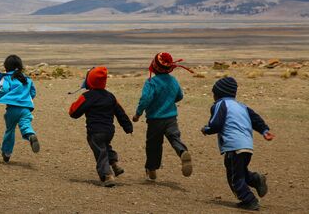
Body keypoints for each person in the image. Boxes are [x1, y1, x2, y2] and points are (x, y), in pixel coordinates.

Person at [201, 77, 274, 211]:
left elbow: (216, 124)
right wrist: (264, 130)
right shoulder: (242, 106)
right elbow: (255, 119)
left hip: (234, 146)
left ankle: (249, 200)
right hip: (247, 145)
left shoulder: (220, 104)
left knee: (235, 177)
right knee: (239, 170)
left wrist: (206, 129)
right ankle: (255, 179)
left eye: (214, 93)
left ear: (218, 93)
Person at [132, 52, 194, 180]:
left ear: (154, 67)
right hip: (171, 118)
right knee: (174, 137)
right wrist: (169, 101)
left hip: (155, 120)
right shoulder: (173, 80)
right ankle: (182, 151)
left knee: (153, 145)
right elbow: (180, 96)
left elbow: (145, 99)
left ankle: (152, 169)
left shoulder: (151, 82)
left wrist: (138, 113)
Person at [69, 66, 133, 187]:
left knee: (100, 151)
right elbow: (120, 113)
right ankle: (114, 164)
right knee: (105, 146)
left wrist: (73, 107)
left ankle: (107, 175)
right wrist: (128, 127)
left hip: (95, 131)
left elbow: (74, 112)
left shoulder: (87, 96)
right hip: (109, 131)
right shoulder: (110, 96)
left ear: (89, 81)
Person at [0, 55, 39, 162]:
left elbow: (4, 89)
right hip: (25, 109)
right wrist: (25, 98)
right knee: (25, 125)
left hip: (12, 109)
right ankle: (31, 135)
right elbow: (33, 93)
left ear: (7, 67)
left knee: (10, 130)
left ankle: (7, 153)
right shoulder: (27, 79)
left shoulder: (7, 78)